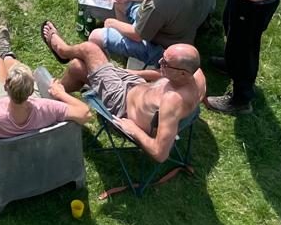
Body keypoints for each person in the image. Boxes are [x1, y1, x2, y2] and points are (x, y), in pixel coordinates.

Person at [42, 23, 206, 163]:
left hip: (121, 104)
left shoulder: (172, 101)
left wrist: (134, 130)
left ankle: (62, 53)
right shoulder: (196, 76)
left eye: (165, 63)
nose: (159, 62)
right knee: (77, 67)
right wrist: (132, 73)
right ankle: (56, 95)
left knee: (89, 49)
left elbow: (160, 154)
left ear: (183, 73)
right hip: (136, 85)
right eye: (162, 58)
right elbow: (162, 75)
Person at [0, 23, 91, 137]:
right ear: (31, 90)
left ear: (6, 86)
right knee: (15, 66)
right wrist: (61, 94)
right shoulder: (46, 108)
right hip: (30, 146)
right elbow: (85, 113)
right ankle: (7, 55)